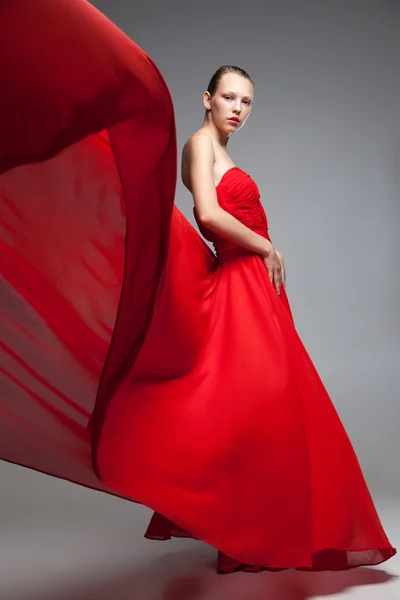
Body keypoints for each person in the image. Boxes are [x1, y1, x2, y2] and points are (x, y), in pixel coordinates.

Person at [0, 0, 396, 575]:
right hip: (237, 282)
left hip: (256, 288)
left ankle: (257, 531)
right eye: (229, 97)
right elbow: (207, 215)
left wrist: (263, 259)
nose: (238, 108)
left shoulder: (225, 149)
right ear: (206, 100)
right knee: (249, 406)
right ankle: (240, 534)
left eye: (247, 101)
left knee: (269, 411)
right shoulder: (199, 145)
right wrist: (265, 247)